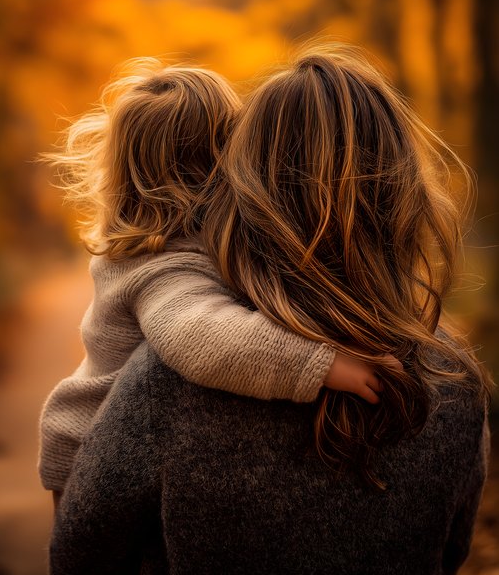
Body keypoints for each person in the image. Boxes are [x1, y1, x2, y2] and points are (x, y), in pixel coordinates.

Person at [50, 46, 490, 575]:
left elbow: (78, 572)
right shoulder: (453, 384)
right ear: (407, 193)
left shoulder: (168, 381)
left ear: (248, 187)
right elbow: (445, 564)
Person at [39, 59, 393, 499]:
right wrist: (322, 365)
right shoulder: (161, 267)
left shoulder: (171, 245)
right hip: (87, 453)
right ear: (220, 157)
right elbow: (204, 338)